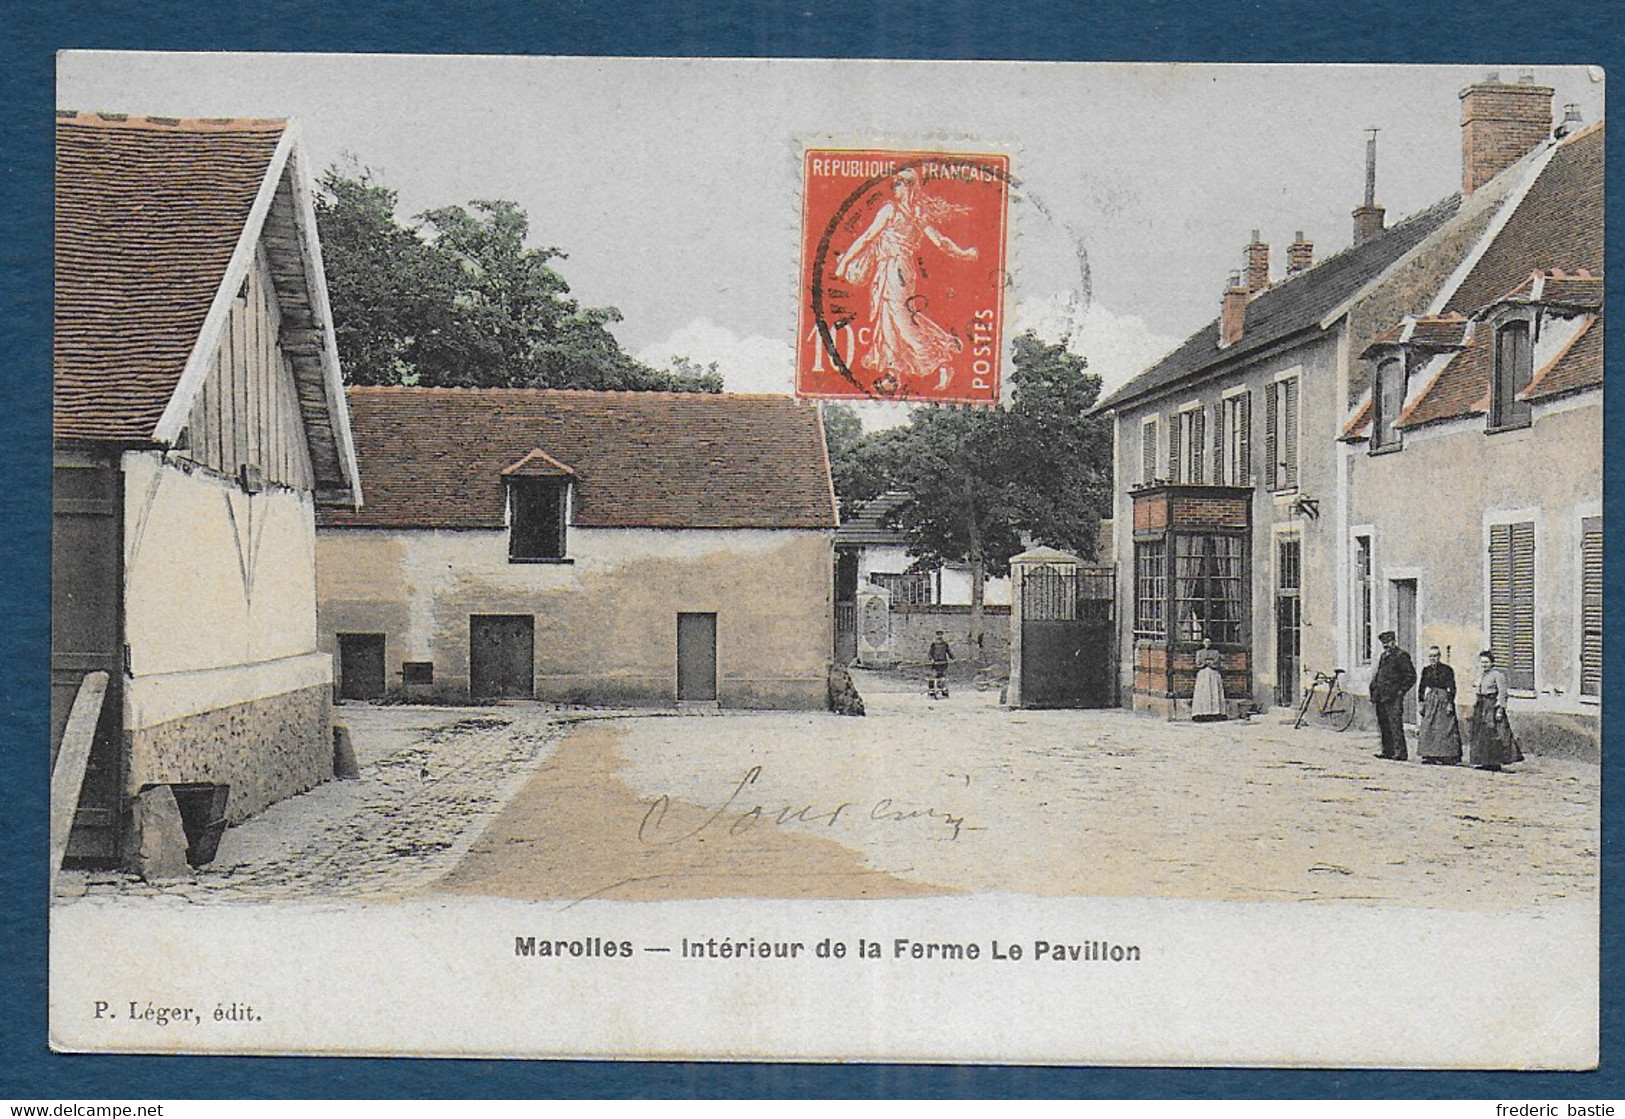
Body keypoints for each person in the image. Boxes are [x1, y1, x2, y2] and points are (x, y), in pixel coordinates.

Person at [835, 168, 979, 392]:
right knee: (888, 321)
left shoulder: (895, 211)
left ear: (911, 186)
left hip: (896, 270)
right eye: (894, 184)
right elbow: (938, 241)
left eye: (899, 183)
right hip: (890, 269)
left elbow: (868, 237)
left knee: (902, 322)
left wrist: (844, 262)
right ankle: (893, 373)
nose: (895, 188)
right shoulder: (911, 212)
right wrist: (964, 253)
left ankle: (941, 363)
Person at [1467, 650, 1523, 771]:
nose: (1484, 665)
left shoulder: (1498, 675)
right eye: (1482, 662)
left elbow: (1502, 693)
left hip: (1492, 706)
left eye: (1486, 662)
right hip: (1481, 706)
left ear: (1492, 663)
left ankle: (1495, 762)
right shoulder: (1481, 675)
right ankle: (1484, 761)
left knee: (1495, 734)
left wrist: (1500, 710)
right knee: (1481, 734)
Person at [1370, 630, 1416, 761]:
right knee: (1384, 724)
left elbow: (1411, 676)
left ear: (1394, 642)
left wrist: (1401, 692)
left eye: (1388, 642)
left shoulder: (1401, 656)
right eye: (1384, 643)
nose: (1386, 645)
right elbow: (1379, 674)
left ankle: (1400, 753)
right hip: (1381, 696)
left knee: (1395, 724)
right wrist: (1374, 689)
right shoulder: (1383, 656)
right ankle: (1387, 751)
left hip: (1393, 697)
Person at [1415, 646, 1462, 765]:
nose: (1433, 658)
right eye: (1430, 656)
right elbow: (1421, 687)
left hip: (1443, 699)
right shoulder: (1426, 670)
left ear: (1439, 656)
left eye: (1435, 656)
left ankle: (1447, 755)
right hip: (1430, 699)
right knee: (1428, 726)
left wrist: (1450, 703)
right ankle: (1429, 755)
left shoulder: (1447, 670)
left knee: (1445, 727)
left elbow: (1452, 687)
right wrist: (1421, 702)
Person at [1191, 636, 1227, 722]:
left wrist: (1211, 664)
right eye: (1205, 642)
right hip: (1203, 674)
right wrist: (1205, 663)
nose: (1207, 644)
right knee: (1203, 692)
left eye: (1209, 642)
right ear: (1203, 643)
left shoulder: (1215, 652)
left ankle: (1215, 712)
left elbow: (1217, 663)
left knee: (1214, 691)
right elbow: (1198, 663)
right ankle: (1201, 713)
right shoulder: (1199, 652)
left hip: (1213, 674)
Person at [927, 629, 954, 699]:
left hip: (943, 663)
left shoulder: (945, 644)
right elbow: (930, 653)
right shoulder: (933, 644)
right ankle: (932, 692)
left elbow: (949, 651)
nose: (939, 636)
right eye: (938, 634)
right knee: (933, 677)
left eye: (940, 634)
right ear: (936, 635)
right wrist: (931, 659)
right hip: (935, 663)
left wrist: (953, 657)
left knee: (943, 678)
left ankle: (944, 692)